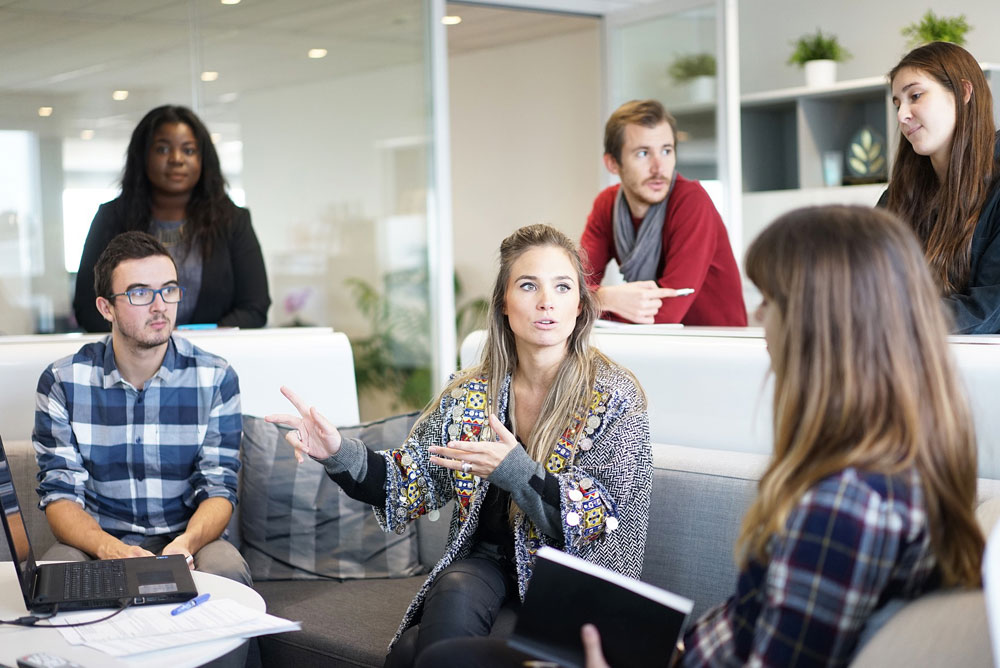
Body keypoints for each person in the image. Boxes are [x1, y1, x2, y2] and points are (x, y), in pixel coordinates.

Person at [427, 206, 985, 668]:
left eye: (771, 301)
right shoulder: (891, 468)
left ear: (825, 324)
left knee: (445, 661)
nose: (760, 318)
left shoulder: (844, 507)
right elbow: (756, 626)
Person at [267, 224, 652, 666]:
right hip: (486, 563)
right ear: (504, 304)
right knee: (452, 590)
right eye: (528, 285)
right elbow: (407, 481)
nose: (547, 301)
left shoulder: (615, 396)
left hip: (570, 576)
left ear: (579, 305)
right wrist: (337, 452)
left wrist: (516, 471)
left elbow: (603, 520)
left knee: (414, 652)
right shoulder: (471, 392)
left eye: (562, 287)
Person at [35, 231, 250, 585]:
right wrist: (110, 549)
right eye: (139, 293)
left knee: (226, 570)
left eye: (168, 289)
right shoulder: (63, 381)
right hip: (98, 541)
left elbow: (219, 488)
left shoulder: (216, 378)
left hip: (188, 539)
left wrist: (185, 544)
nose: (159, 305)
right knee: (54, 574)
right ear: (106, 308)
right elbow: (60, 495)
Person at [73, 104, 271, 332]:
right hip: (133, 361)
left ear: (203, 159)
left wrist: (195, 342)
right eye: (163, 150)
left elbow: (254, 307)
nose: (176, 159)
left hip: (214, 357)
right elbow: (88, 308)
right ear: (143, 156)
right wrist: (148, 339)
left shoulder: (233, 221)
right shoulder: (111, 218)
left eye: (189, 150)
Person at [579, 99, 746, 326]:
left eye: (666, 151)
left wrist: (591, 301)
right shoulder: (606, 205)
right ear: (612, 164)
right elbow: (571, 288)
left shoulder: (691, 201)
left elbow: (666, 313)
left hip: (716, 348)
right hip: (656, 345)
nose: (659, 167)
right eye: (642, 153)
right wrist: (606, 297)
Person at [880, 41, 1000, 333]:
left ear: (963, 92)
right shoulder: (899, 195)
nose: (902, 115)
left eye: (915, 96)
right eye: (897, 103)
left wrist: (893, 322)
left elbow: (990, 308)